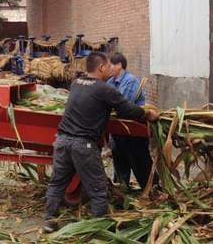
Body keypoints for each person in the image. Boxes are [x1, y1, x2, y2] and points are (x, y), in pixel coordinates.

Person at [44, 52, 158, 232]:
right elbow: (127, 110)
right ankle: (101, 229)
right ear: (101, 68)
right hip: (83, 144)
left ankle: (49, 220)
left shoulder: (76, 84)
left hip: (62, 141)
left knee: (57, 183)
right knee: (98, 188)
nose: (109, 68)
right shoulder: (105, 89)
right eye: (107, 65)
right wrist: (148, 114)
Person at [107, 52, 156, 189]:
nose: (108, 68)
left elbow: (124, 104)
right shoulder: (110, 82)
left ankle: (153, 189)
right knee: (119, 159)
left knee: (139, 160)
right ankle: (122, 189)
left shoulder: (130, 80)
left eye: (110, 65)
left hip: (134, 128)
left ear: (119, 65)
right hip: (118, 129)